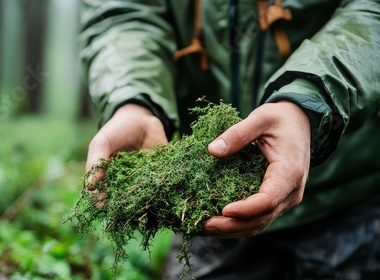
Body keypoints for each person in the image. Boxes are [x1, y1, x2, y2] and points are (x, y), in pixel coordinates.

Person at [80, 0, 380, 278]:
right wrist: (134, 100)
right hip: (209, 207)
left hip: (347, 193)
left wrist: (309, 99)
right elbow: (123, 12)